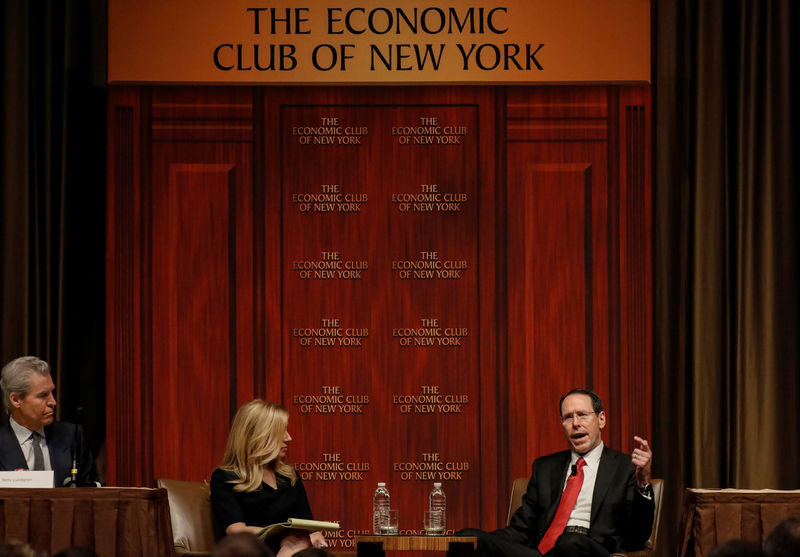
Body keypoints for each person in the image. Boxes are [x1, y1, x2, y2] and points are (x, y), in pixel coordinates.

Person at [458, 388, 655, 557]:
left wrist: (642, 482)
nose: (575, 423)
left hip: (589, 549)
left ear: (601, 419)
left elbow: (637, 535)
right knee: (466, 538)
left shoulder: (625, 467)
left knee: (569, 543)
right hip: (542, 553)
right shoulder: (545, 468)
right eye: (568, 417)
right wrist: (483, 541)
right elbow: (521, 529)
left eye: (582, 415)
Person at [210, 399, 327, 557]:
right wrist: (284, 533)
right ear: (259, 435)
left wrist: (315, 536)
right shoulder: (225, 478)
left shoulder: (290, 477)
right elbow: (236, 531)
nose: (288, 438)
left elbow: (308, 526)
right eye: (282, 431)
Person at [0, 356, 99, 486]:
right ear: (16, 400)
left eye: (52, 392)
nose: (53, 402)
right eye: (43, 395)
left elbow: (92, 489)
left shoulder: (72, 436)